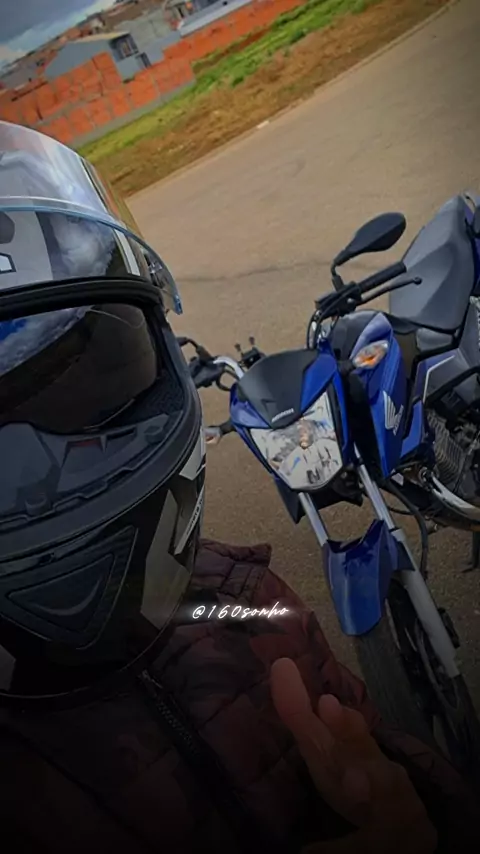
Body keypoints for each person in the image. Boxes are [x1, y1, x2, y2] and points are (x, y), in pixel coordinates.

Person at [0, 121, 478, 854]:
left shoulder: (244, 600)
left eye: (73, 381)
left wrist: (415, 813)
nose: (34, 481)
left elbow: (375, 755)